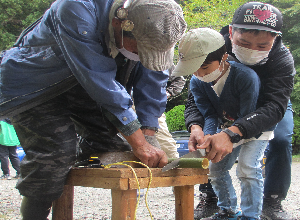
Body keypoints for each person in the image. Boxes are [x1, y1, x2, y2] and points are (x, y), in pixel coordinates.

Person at [0, 0, 186, 219]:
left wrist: (148, 133)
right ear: (119, 23)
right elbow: (98, 78)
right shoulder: (76, 8)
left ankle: (82, 150)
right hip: (34, 87)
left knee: (115, 148)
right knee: (56, 153)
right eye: (140, 50)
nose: (143, 56)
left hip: (86, 89)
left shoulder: (160, 21)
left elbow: (153, 79)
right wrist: (139, 142)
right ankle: (34, 215)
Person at [183, 2, 295, 220]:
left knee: (280, 139)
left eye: (262, 46)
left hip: (268, 106)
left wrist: (232, 132)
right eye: (244, 43)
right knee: (211, 146)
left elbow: (275, 106)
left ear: (274, 39)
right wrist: (195, 125)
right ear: (231, 32)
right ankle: (211, 197)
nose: (252, 49)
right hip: (225, 102)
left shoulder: (282, 59)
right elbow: (196, 96)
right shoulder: (214, 46)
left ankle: (272, 199)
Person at [173, 27, 275, 220]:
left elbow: (247, 117)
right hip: (227, 129)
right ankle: (228, 211)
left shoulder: (245, 77)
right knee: (216, 169)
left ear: (224, 58)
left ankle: (251, 216)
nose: (199, 73)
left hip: (254, 126)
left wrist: (225, 135)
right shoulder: (196, 82)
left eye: (204, 68)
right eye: (193, 69)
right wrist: (209, 136)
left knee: (247, 167)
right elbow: (210, 114)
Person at [156, 70, 186, 159]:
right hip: (122, 104)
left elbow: (180, 79)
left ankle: (175, 168)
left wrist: (167, 93)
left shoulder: (162, 59)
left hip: (152, 106)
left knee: (167, 145)